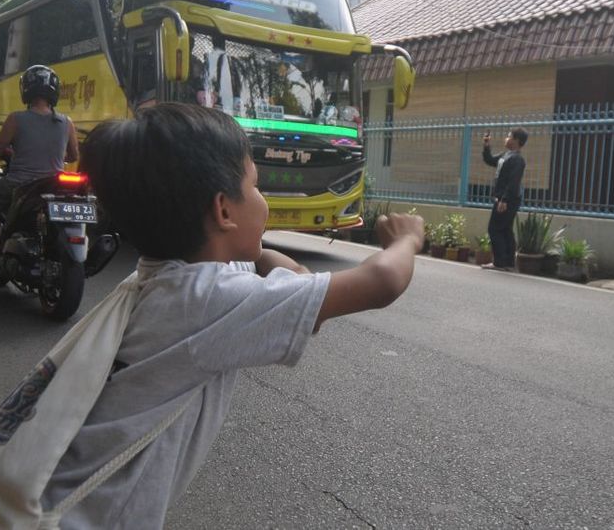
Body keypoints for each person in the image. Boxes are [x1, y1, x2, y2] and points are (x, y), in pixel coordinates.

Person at [38, 102, 425, 529]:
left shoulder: (167, 277)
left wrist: (255, 251)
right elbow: (383, 282)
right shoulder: (208, 300)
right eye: (255, 185)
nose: (263, 199)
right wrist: (404, 241)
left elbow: (290, 280)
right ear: (223, 211)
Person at [0, 64, 79, 266]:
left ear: (25, 90)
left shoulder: (16, 119)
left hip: (21, 184)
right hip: (54, 185)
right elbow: (73, 155)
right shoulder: (67, 122)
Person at [480, 127, 528, 271]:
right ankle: (508, 263)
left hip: (508, 200)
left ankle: (500, 262)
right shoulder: (505, 155)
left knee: (494, 229)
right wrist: (486, 145)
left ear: (516, 141)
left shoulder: (517, 160)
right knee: (505, 230)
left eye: (509, 136)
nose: (506, 138)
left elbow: (513, 182)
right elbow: (489, 160)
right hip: (504, 198)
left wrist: (504, 200)